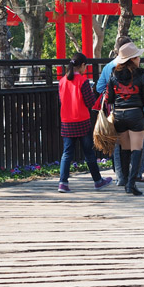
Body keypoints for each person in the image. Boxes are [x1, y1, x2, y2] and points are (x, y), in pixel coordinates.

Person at [97, 36, 144, 186]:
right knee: (140, 143)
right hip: (137, 113)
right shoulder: (138, 72)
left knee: (119, 146)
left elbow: (100, 88)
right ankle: (137, 174)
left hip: (117, 113)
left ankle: (121, 177)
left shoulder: (109, 68)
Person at [107, 42, 144, 195]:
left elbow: (109, 98)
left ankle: (124, 182)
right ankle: (131, 184)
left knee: (124, 149)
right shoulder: (141, 75)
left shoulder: (113, 74)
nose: (139, 58)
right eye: (138, 56)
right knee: (137, 149)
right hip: (135, 115)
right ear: (133, 58)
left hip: (119, 115)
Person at [57, 53, 113, 193]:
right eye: (85, 66)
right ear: (82, 66)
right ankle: (97, 181)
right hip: (81, 120)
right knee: (88, 153)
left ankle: (63, 183)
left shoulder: (62, 81)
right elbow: (90, 102)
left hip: (66, 120)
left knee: (67, 153)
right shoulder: (82, 81)